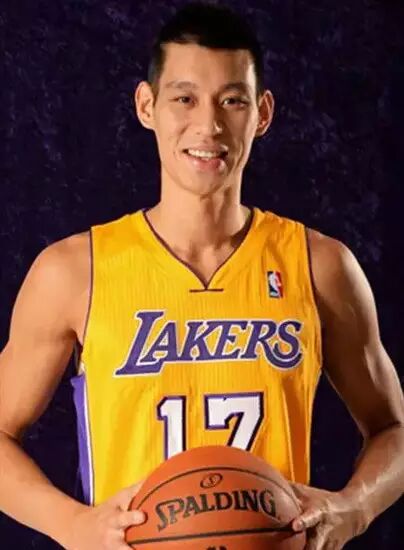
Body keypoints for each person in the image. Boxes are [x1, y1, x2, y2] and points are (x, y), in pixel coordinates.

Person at [0, 3, 403, 550]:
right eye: (184, 98)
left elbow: (394, 430)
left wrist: (352, 508)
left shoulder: (320, 265)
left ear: (262, 113)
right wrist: (72, 524)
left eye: (232, 100)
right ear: (147, 106)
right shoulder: (74, 271)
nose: (208, 126)